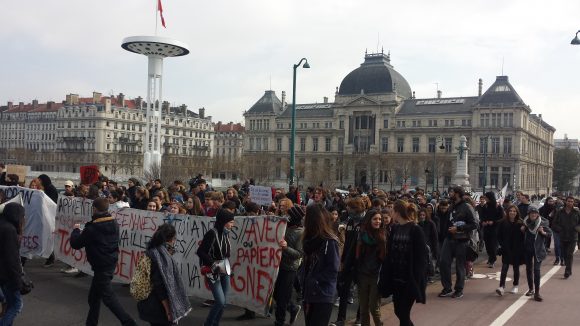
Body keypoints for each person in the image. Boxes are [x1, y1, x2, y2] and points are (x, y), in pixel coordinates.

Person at [70, 198, 137, 326]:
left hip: (101, 267)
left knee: (108, 297)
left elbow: (76, 244)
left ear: (94, 209)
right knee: (94, 298)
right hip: (109, 263)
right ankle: (91, 323)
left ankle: (128, 322)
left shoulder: (93, 228)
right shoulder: (114, 222)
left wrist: (76, 231)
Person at [379, 200, 427, 326]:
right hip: (396, 279)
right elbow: (390, 253)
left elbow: (421, 258)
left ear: (397, 212)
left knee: (403, 313)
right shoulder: (395, 228)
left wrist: (416, 280)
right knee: (398, 311)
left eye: (392, 211)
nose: (390, 213)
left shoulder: (416, 230)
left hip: (409, 280)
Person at [137, 224, 191, 325]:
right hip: (158, 308)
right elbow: (160, 286)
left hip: (148, 302)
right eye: (174, 239)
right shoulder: (161, 258)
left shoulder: (151, 252)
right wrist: (168, 310)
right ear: (170, 240)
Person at [301, 204, 339, 326]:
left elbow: (333, 269)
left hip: (322, 294)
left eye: (306, 215)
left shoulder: (329, 241)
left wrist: (315, 281)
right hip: (308, 293)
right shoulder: (308, 240)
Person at [331, 197, 366, 326]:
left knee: (361, 292)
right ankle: (341, 319)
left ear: (356, 209)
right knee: (344, 290)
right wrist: (342, 260)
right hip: (348, 262)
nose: (347, 210)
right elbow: (347, 244)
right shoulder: (350, 222)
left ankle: (359, 318)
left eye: (350, 208)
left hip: (361, 263)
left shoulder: (366, 222)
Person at [197, 209, 235, 326]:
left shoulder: (226, 233)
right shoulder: (211, 233)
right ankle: (208, 324)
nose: (232, 224)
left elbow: (226, 254)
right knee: (220, 301)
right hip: (213, 271)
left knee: (223, 303)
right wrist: (213, 263)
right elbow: (201, 251)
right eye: (230, 222)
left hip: (224, 269)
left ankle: (215, 323)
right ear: (223, 221)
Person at [438, 186, 477, 299]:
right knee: (443, 262)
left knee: (460, 265)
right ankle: (447, 287)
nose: (449, 193)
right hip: (449, 238)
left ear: (457, 194)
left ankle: (459, 289)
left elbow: (474, 224)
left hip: (462, 240)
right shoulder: (451, 206)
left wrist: (459, 229)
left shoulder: (467, 207)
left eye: (452, 192)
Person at [273, 205, 304, 326]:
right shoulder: (284, 227)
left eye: (290, 215)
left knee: (281, 296)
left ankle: (279, 321)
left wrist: (285, 248)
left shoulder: (301, 232)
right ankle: (292, 308)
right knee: (276, 293)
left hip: (290, 268)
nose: (287, 217)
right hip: (278, 265)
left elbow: (299, 254)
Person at [356, 209, 386, 326]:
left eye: (379, 219)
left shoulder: (384, 235)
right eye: (375, 219)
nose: (378, 221)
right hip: (362, 274)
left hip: (376, 275)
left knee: (374, 307)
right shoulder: (361, 235)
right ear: (369, 220)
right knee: (363, 309)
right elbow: (356, 256)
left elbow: (385, 258)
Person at [0, 203, 26, 325]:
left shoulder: (3, 225)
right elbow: (12, 259)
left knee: (9, 304)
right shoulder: (9, 230)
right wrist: (17, 282)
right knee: (17, 305)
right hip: (7, 276)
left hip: (2, 274)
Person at [522, 206, 551, 301]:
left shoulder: (542, 223)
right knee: (528, 269)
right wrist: (522, 230)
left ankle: (537, 293)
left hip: (538, 250)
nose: (533, 214)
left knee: (536, 270)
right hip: (527, 249)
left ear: (538, 214)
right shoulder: (525, 223)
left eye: (535, 213)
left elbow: (550, 234)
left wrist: (543, 232)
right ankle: (531, 289)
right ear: (528, 215)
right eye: (531, 213)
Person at [496, 205, 525, 296]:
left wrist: (523, 230)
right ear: (507, 212)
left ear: (517, 213)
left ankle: (515, 285)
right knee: (504, 267)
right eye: (510, 211)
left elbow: (524, 237)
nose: (512, 212)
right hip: (506, 248)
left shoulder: (521, 223)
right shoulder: (502, 222)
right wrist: (502, 245)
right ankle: (501, 286)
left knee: (516, 268)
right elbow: (498, 235)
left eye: (514, 211)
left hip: (517, 249)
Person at [552, 196, 580, 279]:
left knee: (569, 254)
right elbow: (554, 223)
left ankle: (567, 270)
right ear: (566, 202)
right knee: (563, 255)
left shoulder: (577, 212)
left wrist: (577, 228)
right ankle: (568, 269)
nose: (570, 203)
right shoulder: (560, 211)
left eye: (571, 201)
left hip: (573, 237)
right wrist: (559, 229)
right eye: (568, 201)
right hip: (562, 236)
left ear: (573, 202)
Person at [480, 192, 503, 268]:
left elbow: (502, 218)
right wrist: (483, 222)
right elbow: (482, 216)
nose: (485, 199)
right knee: (487, 245)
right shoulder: (485, 206)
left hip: (495, 229)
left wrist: (493, 222)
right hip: (486, 228)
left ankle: (492, 260)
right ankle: (491, 257)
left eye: (486, 197)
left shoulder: (498, 206)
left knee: (493, 245)